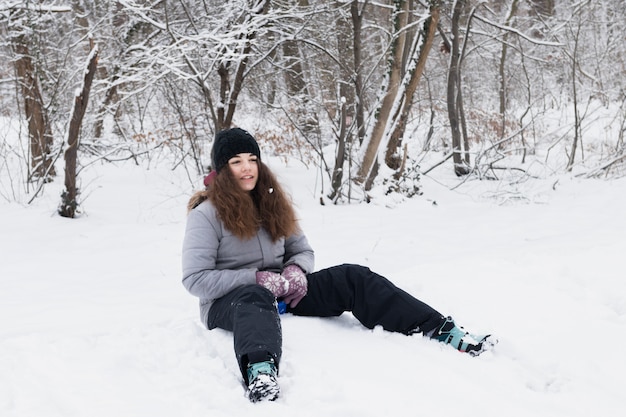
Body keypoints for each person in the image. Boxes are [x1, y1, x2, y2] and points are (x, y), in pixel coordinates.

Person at [182, 127, 495, 403]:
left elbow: (301, 250)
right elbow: (195, 279)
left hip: (283, 293)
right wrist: (257, 279)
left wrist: (296, 271)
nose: (247, 168)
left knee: (352, 276)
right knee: (254, 295)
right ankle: (261, 370)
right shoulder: (206, 214)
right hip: (231, 303)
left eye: (252, 159)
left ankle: (437, 328)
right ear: (223, 170)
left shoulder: (271, 201)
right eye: (236, 162)